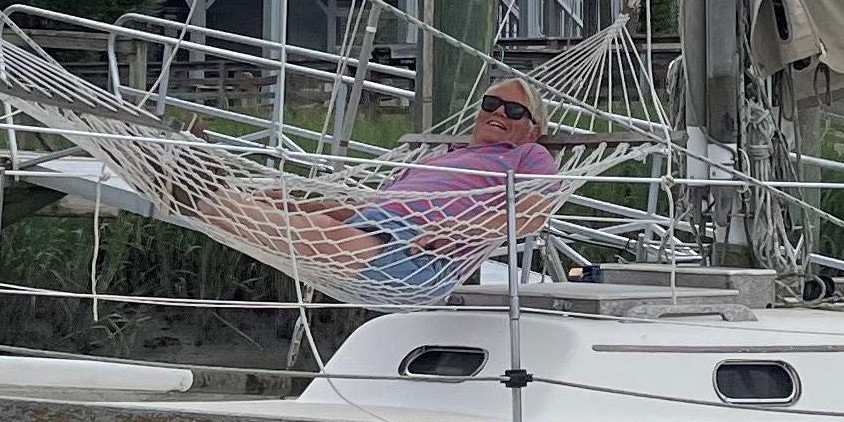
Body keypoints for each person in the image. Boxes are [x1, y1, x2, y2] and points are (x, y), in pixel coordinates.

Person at [184, 77, 562, 303]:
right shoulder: (434, 158)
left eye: (514, 111)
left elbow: (532, 214)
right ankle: (212, 189)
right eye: (492, 104)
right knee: (305, 213)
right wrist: (300, 203)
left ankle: (201, 194)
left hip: (420, 256)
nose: (499, 113)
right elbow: (368, 208)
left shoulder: (529, 155)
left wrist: (459, 231)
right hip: (378, 226)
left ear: (534, 128)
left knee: (324, 235)